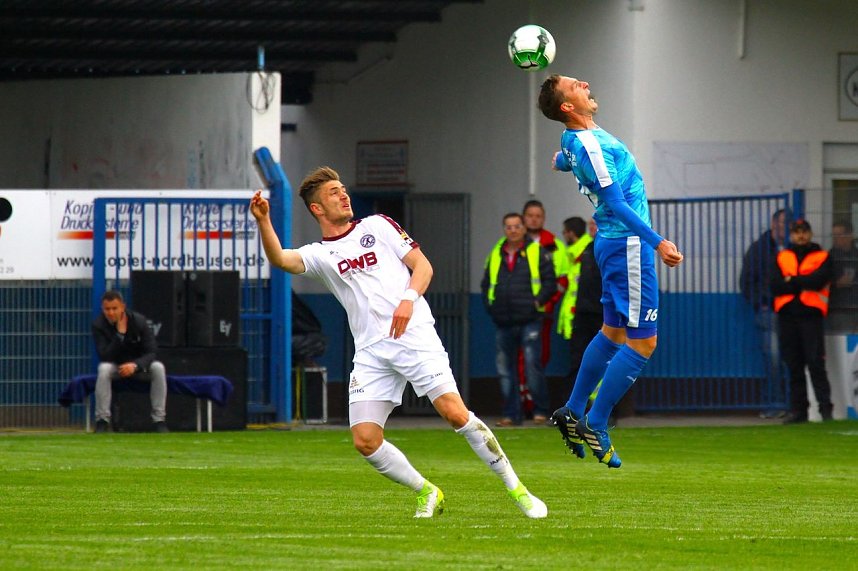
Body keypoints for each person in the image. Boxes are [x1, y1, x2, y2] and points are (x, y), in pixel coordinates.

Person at [249, 167, 547, 519]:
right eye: (333, 193)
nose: (343, 195)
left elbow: (422, 267)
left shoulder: (378, 226)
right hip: (372, 352)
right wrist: (263, 221)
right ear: (317, 209)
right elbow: (281, 259)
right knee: (365, 440)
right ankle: (427, 491)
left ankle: (517, 489)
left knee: (454, 413)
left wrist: (407, 299)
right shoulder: (319, 254)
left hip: (414, 335)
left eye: (343, 189)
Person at [538, 74, 683, 468]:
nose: (585, 82)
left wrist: (562, 163)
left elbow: (569, 155)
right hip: (628, 247)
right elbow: (617, 203)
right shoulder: (591, 143)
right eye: (575, 85)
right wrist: (659, 242)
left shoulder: (577, 139)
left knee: (613, 332)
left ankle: (571, 409)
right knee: (643, 343)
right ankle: (596, 421)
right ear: (567, 106)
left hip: (611, 245)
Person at [481, 212, 557, 427]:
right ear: (504, 229)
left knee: (533, 367)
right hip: (503, 320)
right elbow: (486, 283)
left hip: (530, 318)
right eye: (508, 227)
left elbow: (550, 282)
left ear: (523, 229)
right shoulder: (496, 254)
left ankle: (540, 411)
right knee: (505, 370)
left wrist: (536, 302)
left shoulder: (536, 252)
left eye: (516, 226)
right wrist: (491, 307)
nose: (513, 230)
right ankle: (511, 414)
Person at [770, 219, 834, 423]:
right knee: (793, 364)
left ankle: (826, 410)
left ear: (810, 233)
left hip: (811, 316)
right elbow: (775, 286)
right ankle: (799, 411)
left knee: (815, 364)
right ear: (791, 235)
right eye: (797, 232)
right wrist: (802, 282)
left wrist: (792, 280)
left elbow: (818, 281)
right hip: (787, 317)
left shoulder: (822, 256)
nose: (801, 236)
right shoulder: (782, 256)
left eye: (804, 231)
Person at [91, 290, 168, 433]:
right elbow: (104, 355)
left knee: (158, 367)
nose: (111, 313)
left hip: (137, 366)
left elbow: (151, 351)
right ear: (103, 309)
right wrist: (119, 335)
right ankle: (102, 420)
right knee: (103, 369)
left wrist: (135, 365)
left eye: (115, 308)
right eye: (107, 309)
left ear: (123, 307)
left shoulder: (139, 321)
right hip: (116, 366)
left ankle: (159, 420)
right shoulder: (98, 325)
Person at [740, 208, 789, 411]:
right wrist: (760, 301)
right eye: (780, 222)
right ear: (773, 223)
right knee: (774, 358)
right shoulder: (760, 249)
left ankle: (792, 404)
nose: (782, 227)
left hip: (791, 311)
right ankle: (775, 403)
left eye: (787, 223)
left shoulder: (793, 249)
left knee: (790, 358)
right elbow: (746, 281)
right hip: (768, 310)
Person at [557, 217, 604, 409]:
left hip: (603, 314)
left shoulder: (607, 249)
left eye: (596, 223)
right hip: (583, 314)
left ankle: (600, 408)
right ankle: (573, 408)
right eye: (591, 224)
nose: (592, 227)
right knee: (578, 361)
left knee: (602, 361)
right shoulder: (586, 250)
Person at [828, 220, 858, 333]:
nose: (836, 238)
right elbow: (822, 282)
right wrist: (837, 283)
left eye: (839, 235)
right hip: (839, 310)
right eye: (834, 235)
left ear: (850, 235)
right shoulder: (829, 257)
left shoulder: (856, 255)